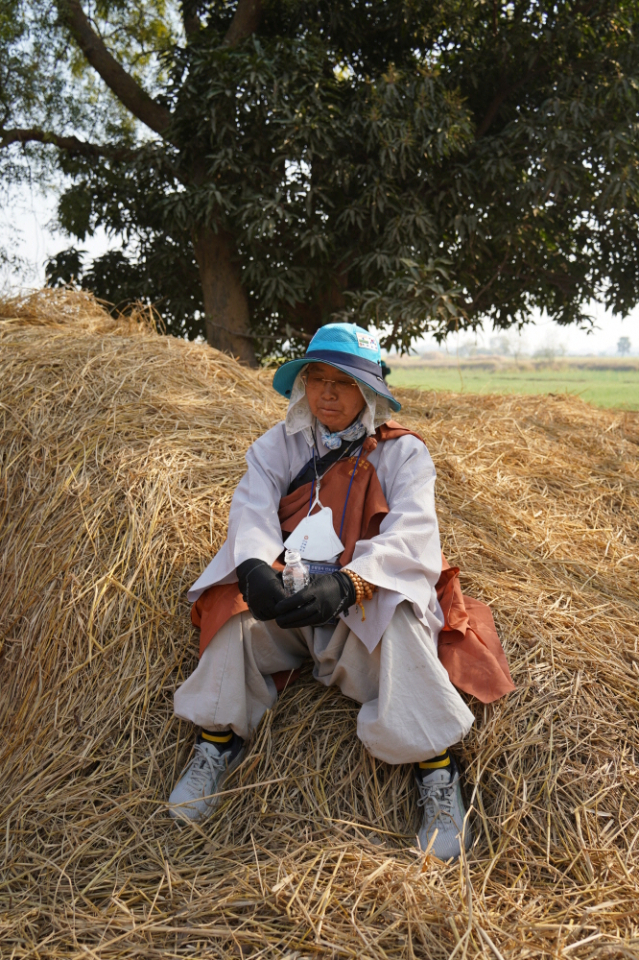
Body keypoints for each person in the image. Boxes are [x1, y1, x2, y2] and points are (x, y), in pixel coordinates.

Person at [168, 324, 515, 860]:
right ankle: (218, 743)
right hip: (291, 598)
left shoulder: (404, 456)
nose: (327, 393)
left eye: (343, 382)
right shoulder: (277, 444)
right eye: (317, 379)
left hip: (356, 601)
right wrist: (258, 567)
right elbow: (251, 509)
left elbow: (413, 534)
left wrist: (351, 583)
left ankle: (435, 771)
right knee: (228, 608)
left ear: (370, 393)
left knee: (399, 617)